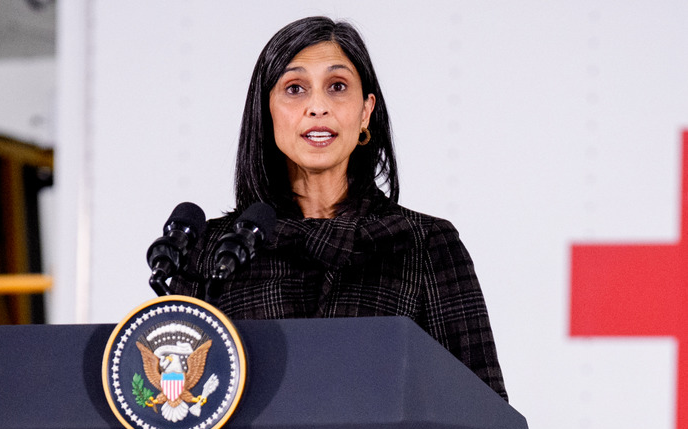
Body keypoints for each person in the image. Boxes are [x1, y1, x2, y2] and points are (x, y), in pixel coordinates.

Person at [169, 16, 508, 401]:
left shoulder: (425, 244)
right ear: (267, 113)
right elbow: (172, 405)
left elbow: (482, 411)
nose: (317, 107)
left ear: (365, 112)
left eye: (337, 87)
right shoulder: (215, 251)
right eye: (295, 88)